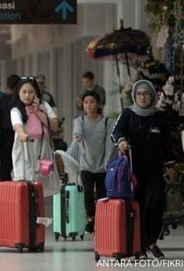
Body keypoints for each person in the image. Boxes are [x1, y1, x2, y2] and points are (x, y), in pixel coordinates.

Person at [111, 79, 175, 260]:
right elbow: (116, 132)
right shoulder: (128, 114)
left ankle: (151, 240)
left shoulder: (160, 116)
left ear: (153, 95)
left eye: (146, 93)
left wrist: (170, 166)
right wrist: (122, 140)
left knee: (156, 203)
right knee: (137, 206)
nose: (143, 97)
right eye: (139, 93)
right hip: (132, 170)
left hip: (155, 169)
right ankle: (143, 244)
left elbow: (167, 144)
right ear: (134, 95)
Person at [10, 77, 61, 197]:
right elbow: (17, 125)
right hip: (24, 149)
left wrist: (38, 111)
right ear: (18, 92)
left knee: (40, 187)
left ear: (36, 93)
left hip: (42, 149)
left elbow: (54, 126)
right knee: (25, 183)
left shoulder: (45, 106)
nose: (27, 96)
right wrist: (23, 134)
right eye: (24, 92)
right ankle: (26, 213)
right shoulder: (16, 110)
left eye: (31, 92)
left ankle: (37, 213)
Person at [72, 90, 114, 233]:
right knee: (88, 192)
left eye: (92, 102)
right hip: (86, 165)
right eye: (86, 102)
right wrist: (77, 137)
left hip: (102, 166)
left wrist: (107, 163)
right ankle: (90, 217)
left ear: (98, 104)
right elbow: (78, 132)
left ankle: (100, 220)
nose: (89, 105)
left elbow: (109, 145)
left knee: (102, 195)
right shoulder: (80, 121)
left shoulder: (107, 122)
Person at [0, 74, 20, 182]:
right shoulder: (22, 101)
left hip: (6, 135)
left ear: (7, 86)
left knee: (5, 165)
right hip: (21, 134)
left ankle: (6, 189)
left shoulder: (1, 101)